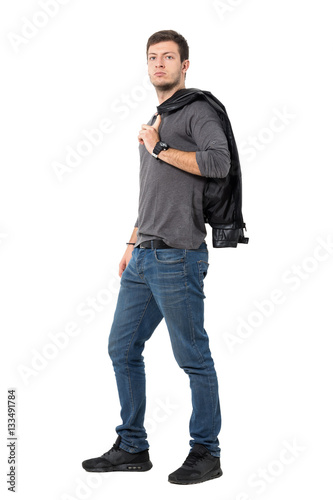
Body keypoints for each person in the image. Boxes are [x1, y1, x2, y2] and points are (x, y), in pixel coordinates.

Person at [82, 29, 232, 485]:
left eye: (169, 57)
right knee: (122, 348)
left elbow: (219, 162)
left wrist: (160, 147)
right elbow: (152, 193)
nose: (159, 64)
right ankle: (132, 446)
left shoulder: (198, 110)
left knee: (193, 358)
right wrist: (131, 243)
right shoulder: (156, 117)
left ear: (185, 65)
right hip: (145, 256)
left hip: (178, 257)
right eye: (153, 57)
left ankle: (206, 452)